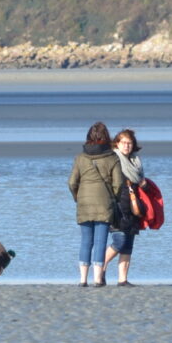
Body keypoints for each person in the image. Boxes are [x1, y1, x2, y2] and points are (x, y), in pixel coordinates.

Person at [67, 121, 124, 287]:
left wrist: (77, 197)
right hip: (104, 202)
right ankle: (98, 279)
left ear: (88, 137)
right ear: (106, 137)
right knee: (100, 241)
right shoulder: (112, 157)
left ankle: (83, 279)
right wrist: (113, 197)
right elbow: (118, 183)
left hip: (84, 203)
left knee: (86, 241)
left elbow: (71, 182)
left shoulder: (80, 158)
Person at [101, 128, 145, 287]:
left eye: (130, 143)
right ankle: (101, 266)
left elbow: (140, 181)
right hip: (117, 207)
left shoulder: (136, 162)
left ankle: (122, 279)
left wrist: (143, 185)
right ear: (117, 144)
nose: (127, 146)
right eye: (124, 143)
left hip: (134, 207)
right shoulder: (113, 160)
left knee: (128, 246)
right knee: (119, 241)